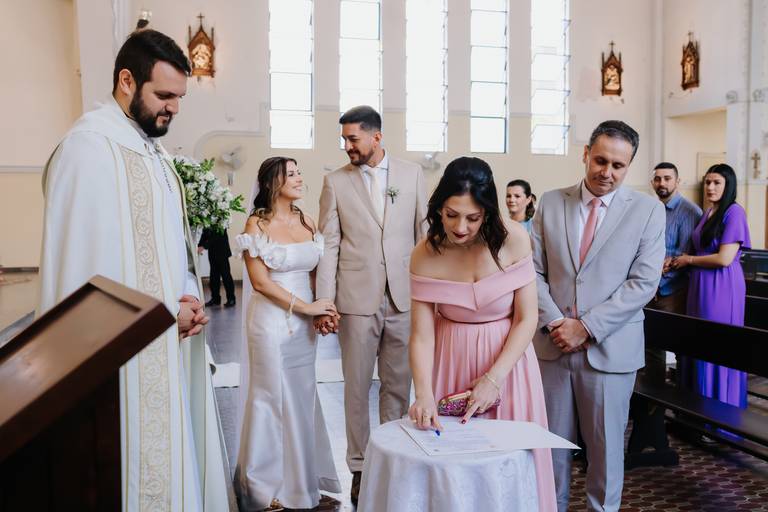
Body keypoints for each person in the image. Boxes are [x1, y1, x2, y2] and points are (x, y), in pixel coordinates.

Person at [37, 29, 232, 511]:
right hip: (121, 361)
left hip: (164, 342)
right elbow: (83, 274)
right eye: (164, 95)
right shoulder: (88, 148)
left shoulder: (153, 152)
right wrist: (164, 313)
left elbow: (169, 245)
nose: (174, 108)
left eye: (180, 97)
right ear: (127, 81)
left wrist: (187, 295)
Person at [408, 157, 557, 511]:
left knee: (512, 472)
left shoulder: (515, 240)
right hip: (450, 361)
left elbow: (527, 318)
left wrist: (493, 378)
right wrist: (424, 393)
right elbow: (421, 336)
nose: (460, 227)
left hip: (508, 366)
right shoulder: (424, 254)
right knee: (455, 476)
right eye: (451, 215)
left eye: (473, 218)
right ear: (438, 208)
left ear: (488, 212)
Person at [532, 120, 665, 511]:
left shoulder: (647, 210)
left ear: (629, 166)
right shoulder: (551, 202)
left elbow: (643, 283)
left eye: (618, 165)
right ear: (586, 154)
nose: (607, 172)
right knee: (549, 449)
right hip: (554, 346)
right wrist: (557, 323)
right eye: (600, 161)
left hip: (610, 349)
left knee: (605, 454)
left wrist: (586, 327)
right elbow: (532, 272)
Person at [314, 105, 427, 505]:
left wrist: (428, 294)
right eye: (344, 139)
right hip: (355, 298)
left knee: (398, 385)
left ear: (376, 137)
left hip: (403, 297)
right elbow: (328, 245)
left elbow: (423, 235)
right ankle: (360, 466)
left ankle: (392, 459)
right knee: (357, 388)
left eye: (353, 138)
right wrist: (325, 300)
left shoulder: (412, 174)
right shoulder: (335, 181)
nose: (347, 146)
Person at [234, 157, 341, 511]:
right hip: (271, 321)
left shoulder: (307, 219)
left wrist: (322, 309)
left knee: (301, 396)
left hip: (303, 325)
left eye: (298, 172)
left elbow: (314, 272)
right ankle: (264, 488)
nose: (298, 178)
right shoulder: (257, 223)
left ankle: (301, 484)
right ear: (272, 183)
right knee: (269, 397)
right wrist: (305, 307)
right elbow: (260, 283)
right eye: (290, 174)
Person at [671, 164, 752, 408]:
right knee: (698, 342)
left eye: (717, 182)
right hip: (700, 285)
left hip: (722, 285)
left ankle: (719, 410)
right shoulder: (709, 211)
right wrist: (676, 260)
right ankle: (697, 406)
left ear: (728, 185)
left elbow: (724, 258)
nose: (710, 187)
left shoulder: (734, 212)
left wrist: (688, 260)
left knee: (715, 344)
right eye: (707, 182)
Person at [646, 162, 702, 380]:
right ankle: (653, 395)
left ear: (677, 181)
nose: (662, 183)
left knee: (680, 346)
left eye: (667, 178)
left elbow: (683, 255)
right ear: (652, 182)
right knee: (652, 345)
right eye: (657, 179)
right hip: (650, 289)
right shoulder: (653, 209)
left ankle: (682, 395)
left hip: (674, 290)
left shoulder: (689, 211)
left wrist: (653, 267)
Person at [197, 227, 236, 307]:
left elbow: (218, 235)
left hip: (222, 250)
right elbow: (205, 232)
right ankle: (215, 299)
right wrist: (200, 245)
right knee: (213, 277)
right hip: (212, 251)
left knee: (226, 276)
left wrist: (204, 246)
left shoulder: (222, 219)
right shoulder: (208, 220)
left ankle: (231, 299)